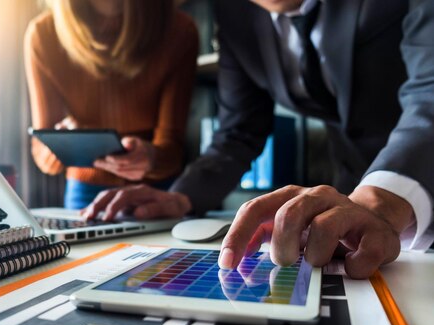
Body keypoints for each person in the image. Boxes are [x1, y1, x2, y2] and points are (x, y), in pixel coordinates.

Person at [83, 0, 434, 279]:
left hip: (410, 182)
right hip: (351, 213)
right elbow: (239, 129)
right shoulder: (235, 12)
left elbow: (429, 90)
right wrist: (181, 197)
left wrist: (380, 201)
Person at [24, 0, 198, 209]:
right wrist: (64, 144)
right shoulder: (44, 35)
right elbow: (42, 152)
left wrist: (152, 158)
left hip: (157, 191)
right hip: (85, 191)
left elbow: (173, 150)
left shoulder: (179, 31)